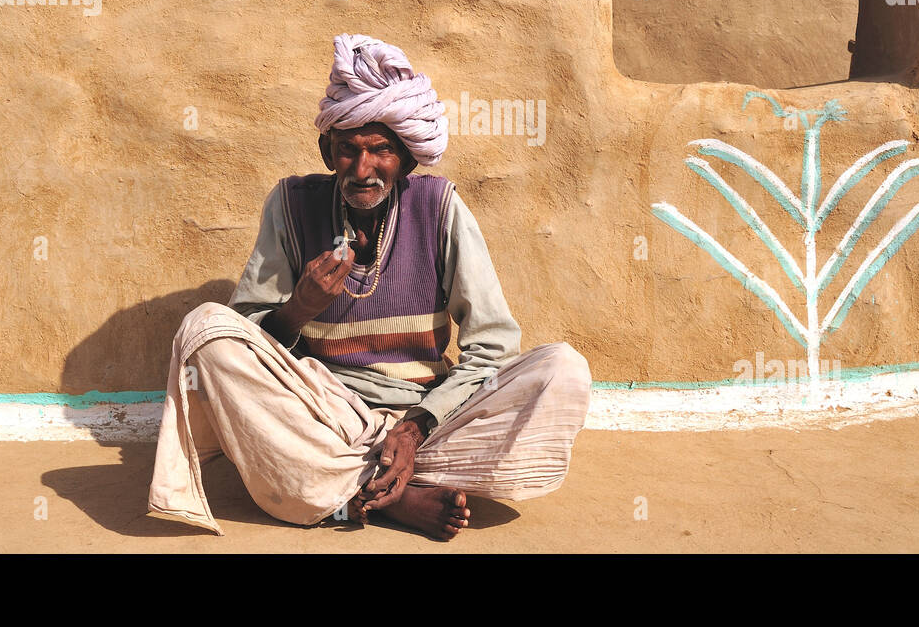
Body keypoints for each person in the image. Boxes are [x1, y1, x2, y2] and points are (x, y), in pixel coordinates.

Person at [148, 33, 591, 540]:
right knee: (205, 329)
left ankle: (353, 481)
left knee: (563, 370)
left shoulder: (439, 207)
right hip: (320, 412)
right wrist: (299, 308)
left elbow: (492, 348)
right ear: (326, 150)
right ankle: (384, 493)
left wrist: (414, 427)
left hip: (427, 415)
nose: (363, 170)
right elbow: (248, 340)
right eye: (347, 151)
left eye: (381, 150)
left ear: (407, 157)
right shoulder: (292, 204)